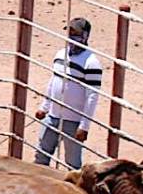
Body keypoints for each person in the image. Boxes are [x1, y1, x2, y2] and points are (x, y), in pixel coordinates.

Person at [34, 17, 102, 169]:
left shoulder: (91, 62)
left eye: (75, 32)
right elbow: (53, 82)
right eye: (69, 32)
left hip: (73, 120)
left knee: (73, 163)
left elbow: (92, 96)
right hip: (53, 115)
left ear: (85, 36)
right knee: (41, 156)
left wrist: (84, 126)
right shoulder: (60, 54)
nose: (71, 36)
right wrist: (44, 107)